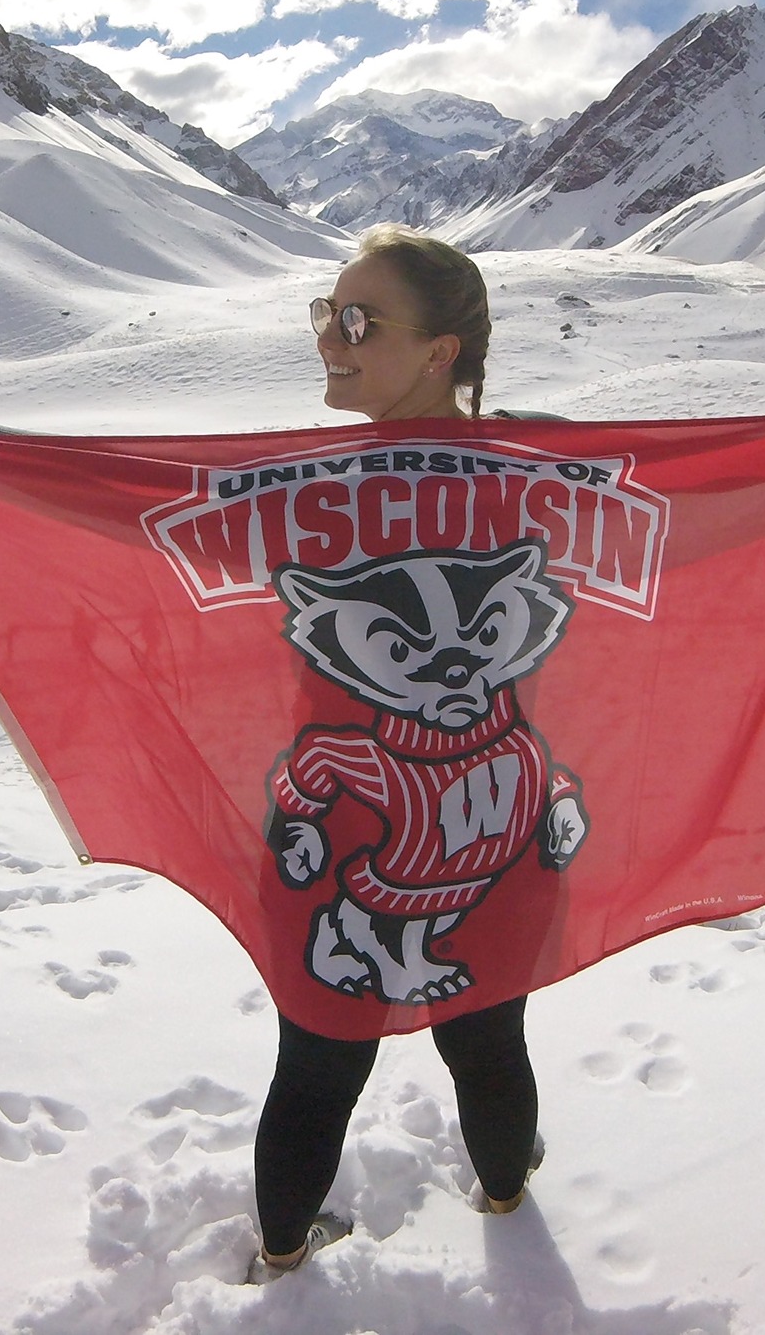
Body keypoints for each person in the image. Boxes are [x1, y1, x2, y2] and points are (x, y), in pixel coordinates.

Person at [249, 224, 543, 1282]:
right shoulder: (539, 472)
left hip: (355, 836)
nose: (331, 336)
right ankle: (507, 1198)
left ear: (439, 352)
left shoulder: (299, 488)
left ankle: (284, 1259)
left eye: (359, 319)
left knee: (321, 1061)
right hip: (490, 828)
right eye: (326, 313)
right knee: (489, 1039)